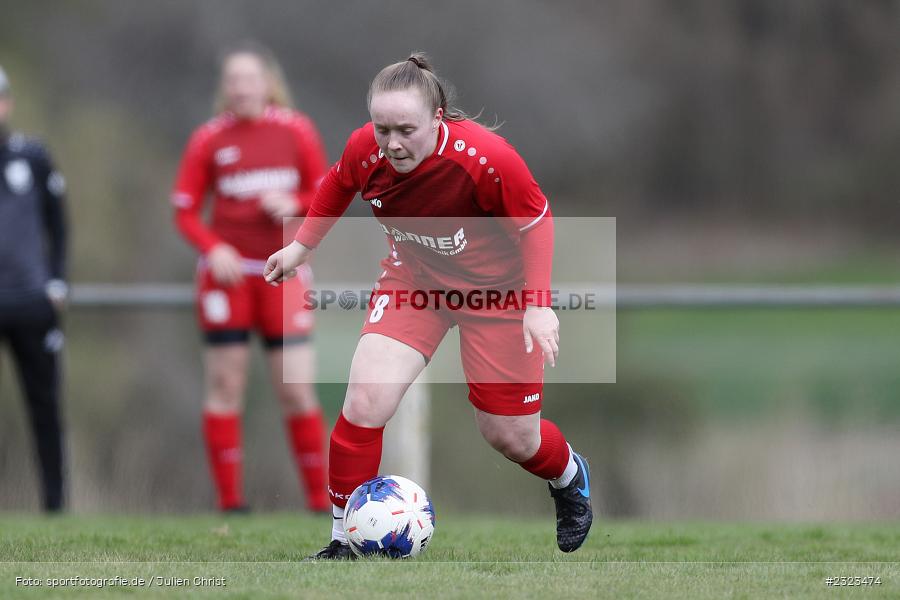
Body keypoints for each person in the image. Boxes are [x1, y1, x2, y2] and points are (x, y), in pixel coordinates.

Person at [264, 53, 592, 558]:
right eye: (381, 129)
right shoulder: (365, 150)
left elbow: (536, 223)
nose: (392, 143)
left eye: (406, 130)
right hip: (415, 284)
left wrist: (538, 305)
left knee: (510, 436)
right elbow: (337, 184)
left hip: (498, 297)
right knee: (365, 401)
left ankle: (569, 476)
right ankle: (342, 542)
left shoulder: (487, 159)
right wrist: (301, 247)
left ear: (437, 119)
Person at [172, 42, 330, 512]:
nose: (240, 88)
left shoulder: (296, 130)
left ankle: (323, 504)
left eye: (249, 78)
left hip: (284, 272)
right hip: (229, 278)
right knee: (226, 386)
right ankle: (231, 503)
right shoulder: (209, 139)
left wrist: (296, 202)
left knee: (297, 391)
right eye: (232, 80)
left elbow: (327, 189)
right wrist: (213, 246)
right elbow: (184, 212)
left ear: (268, 83)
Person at [0, 64, 69, 512]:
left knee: (44, 407)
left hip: (30, 302)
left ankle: (54, 505)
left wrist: (58, 279)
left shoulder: (34, 157)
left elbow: (59, 226)